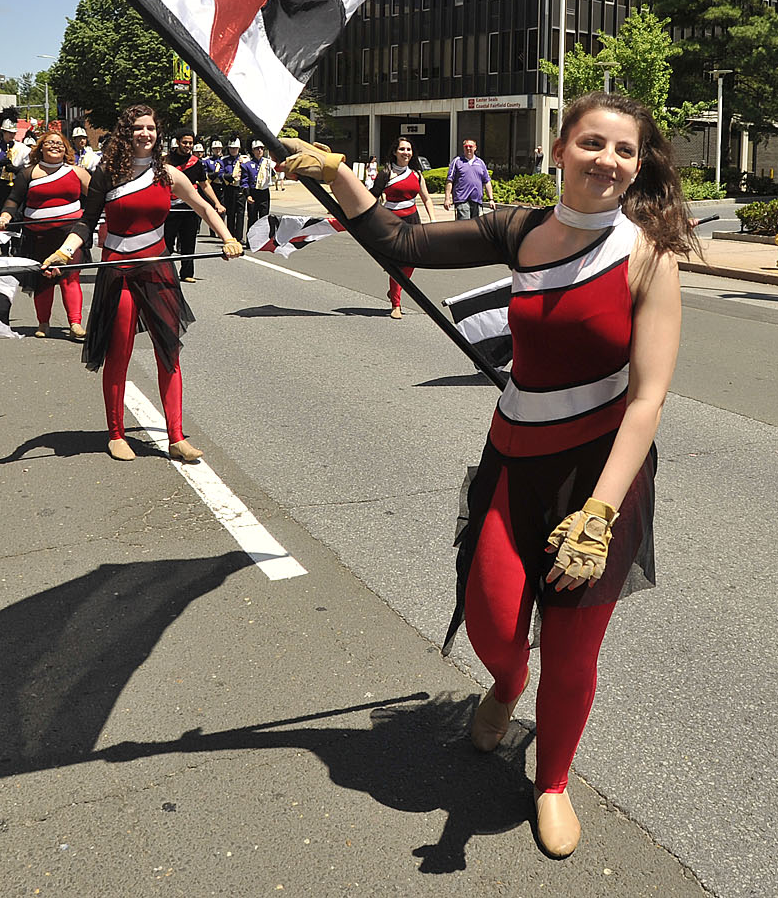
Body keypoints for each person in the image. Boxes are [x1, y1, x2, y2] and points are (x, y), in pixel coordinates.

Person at [281, 93, 693, 858]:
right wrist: (340, 174)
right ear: (560, 148)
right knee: (495, 628)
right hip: (513, 463)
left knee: (572, 653)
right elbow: (401, 241)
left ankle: (554, 781)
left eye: (625, 151)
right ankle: (507, 688)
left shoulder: (647, 258)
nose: (608, 161)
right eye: (592, 143)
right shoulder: (524, 229)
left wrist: (600, 513)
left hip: (598, 482)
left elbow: (648, 399)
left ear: (639, 165)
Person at [41, 104, 240, 464]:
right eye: (138, 128)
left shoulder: (168, 174)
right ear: (125, 133)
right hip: (119, 271)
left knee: (170, 351)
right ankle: (116, 433)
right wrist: (64, 251)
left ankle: (176, 437)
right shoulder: (106, 174)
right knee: (120, 351)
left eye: (151, 127)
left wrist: (227, 237)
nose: (145, 133)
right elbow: (86, 222)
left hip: (158, 269)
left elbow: (204, 207)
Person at [0, 129, 90, 340]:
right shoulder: (28, 173)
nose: (55, 146)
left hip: (70, 236)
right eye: (50, 143)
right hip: (37, 236)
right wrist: (5, 217)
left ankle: (75, 323)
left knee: (70, 278)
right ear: (41, 148)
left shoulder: (77, 172)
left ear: (66, 149)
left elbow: (96, 199)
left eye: (59, 143)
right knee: (43, 279)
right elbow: (13, 200)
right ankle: (43, 323)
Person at [369, 136, 434, 319]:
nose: (406, 153)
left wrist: (433, 220)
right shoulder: (386, 173)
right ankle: (396, 304)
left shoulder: (416, 174)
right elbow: (372, 196)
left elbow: (426, 199)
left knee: (412, 260)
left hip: (413, 220)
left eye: (409, 149)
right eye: (402, 149)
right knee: (397, 264)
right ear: (395, 152)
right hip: (391, 221)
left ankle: (396, 288)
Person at [165, 132, 214, 283]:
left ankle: (187, 272)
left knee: (189, 242)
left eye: (190, 143)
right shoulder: (166, 160)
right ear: (178, 142)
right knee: (167, 243)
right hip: (170, 208)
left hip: (189, 208)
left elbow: (204, 184)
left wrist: (216, 203)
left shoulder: (196, 163)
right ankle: (164, 272)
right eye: (185, 142)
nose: (188, 146)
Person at [445, 138, 495, 220]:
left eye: (470, 146)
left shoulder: (480, 162)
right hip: (462, 200)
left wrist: (491, 199)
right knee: (464, 227)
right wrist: (447, 199)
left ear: (475, 148)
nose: (468, 148)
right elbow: (449, 181)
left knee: (476, 227)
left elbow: (487, 181)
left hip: (477, 201)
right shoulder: (457, 161)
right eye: (466, 146)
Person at [241, 139, 275, 232]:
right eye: (257, 149)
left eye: (261, 148)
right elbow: (244, 181)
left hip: (264, 192)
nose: (259, 150)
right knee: (252, 218)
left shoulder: (268, 163)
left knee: (264, 218)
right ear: (253, 151)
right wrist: (247, 195)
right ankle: (251, 241)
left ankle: (262, 242)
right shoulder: (247, 165)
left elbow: (274, 175)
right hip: (253, 192)